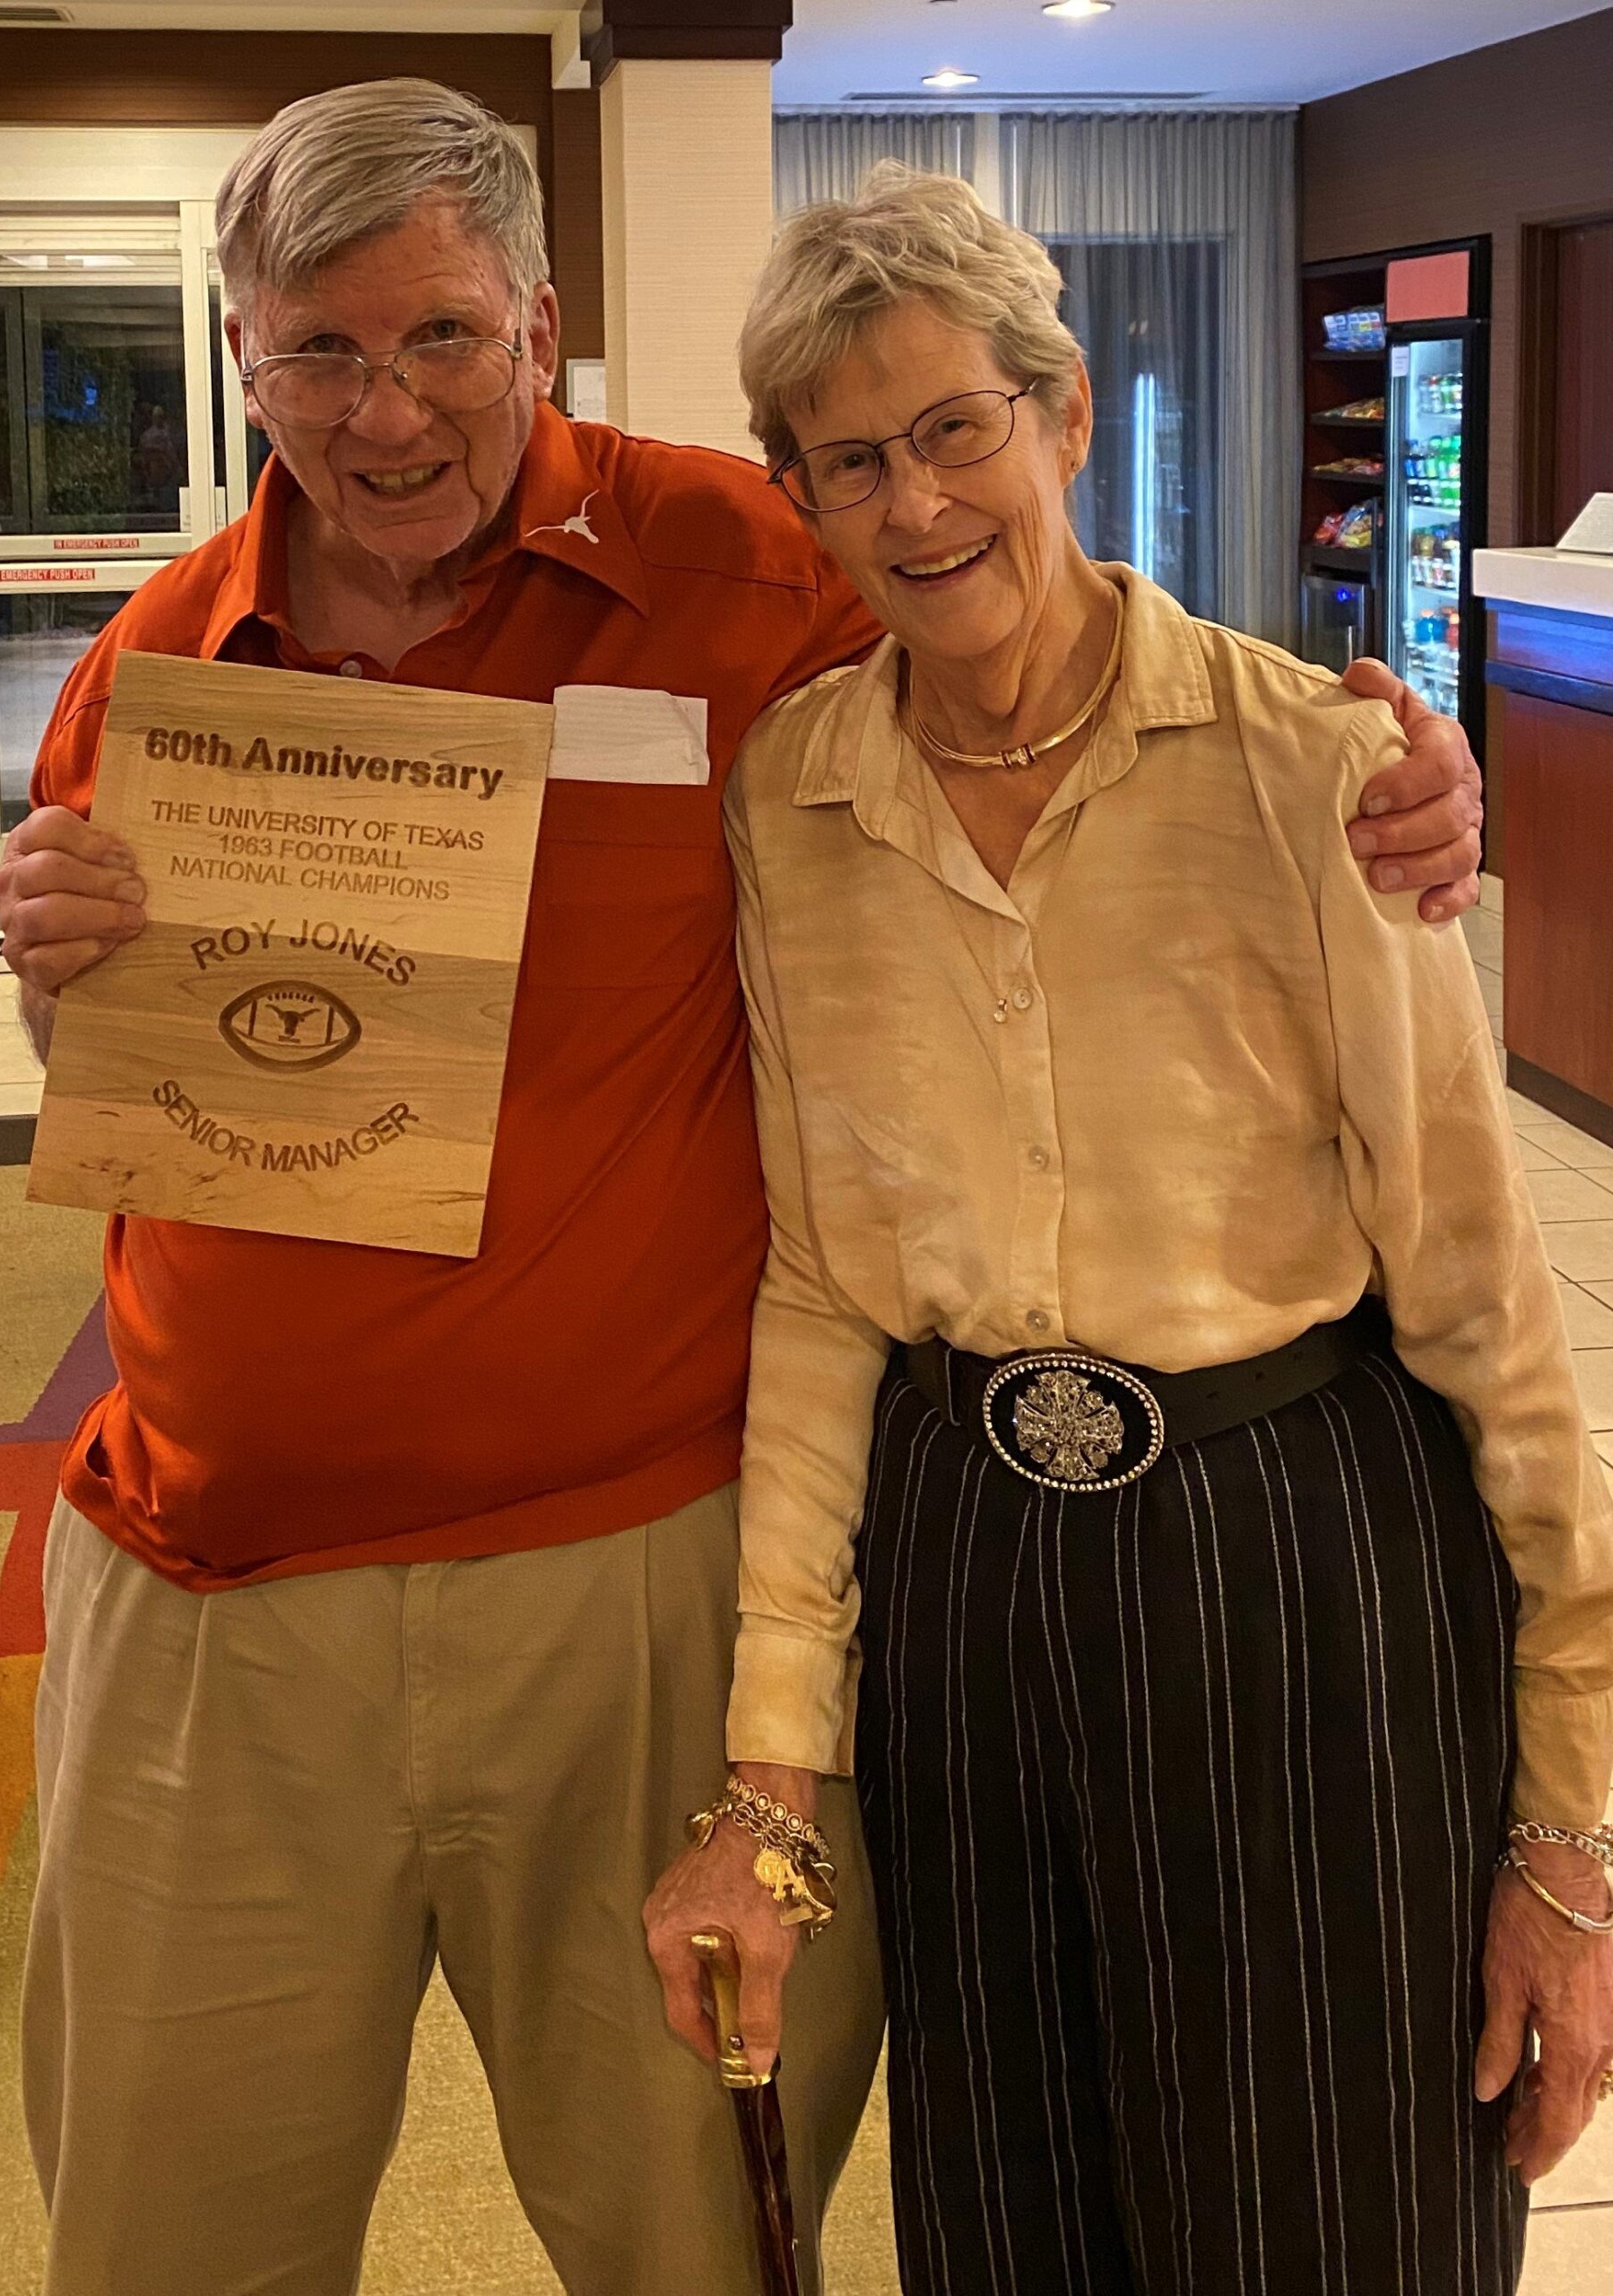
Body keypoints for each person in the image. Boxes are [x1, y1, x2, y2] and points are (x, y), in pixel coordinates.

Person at [0, 83, 1482, 2296]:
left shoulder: (747, 567)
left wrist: (1388, 778)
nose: (383, 410)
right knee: (162, 2230)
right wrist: (54, 974)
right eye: (316, 349)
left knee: (699, 2227)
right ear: (239, 353)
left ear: (541, 323)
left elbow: (1041, 649)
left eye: (440, 341)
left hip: (640, 1587)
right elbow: (119, 1089)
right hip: (217, 1584)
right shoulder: (150, 670)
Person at [646, 167, 1613, 2295]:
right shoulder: (796, 798)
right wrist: (770, 1773)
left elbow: (1491, 1306)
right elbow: (818, 1290)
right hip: (973, 1585)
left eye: (958, 428)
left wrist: (1570, 1839)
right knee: (1018, 2218)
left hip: (1298, 1563)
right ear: (799, 496)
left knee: (1333, 2218)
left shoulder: (1315, 771)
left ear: (1067, 415)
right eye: (853, 462)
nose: (917, 504)